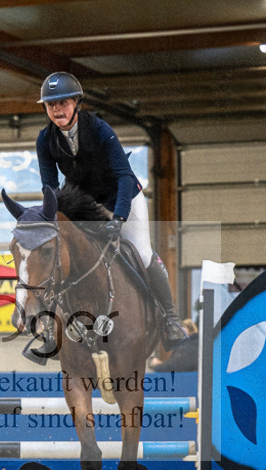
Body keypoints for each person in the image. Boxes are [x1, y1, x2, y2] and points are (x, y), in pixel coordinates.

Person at [31, 72, 186, 360]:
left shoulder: (100, 129)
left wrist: (118, 218)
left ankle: (170, 319)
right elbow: (50, 188)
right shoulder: (45, 139)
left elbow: (123, 176)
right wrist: (51, 223)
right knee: (61, 257)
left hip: (122, 195)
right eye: (50, 105)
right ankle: (51, 329)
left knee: (140, 252)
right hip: (83, 203)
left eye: (62, 102)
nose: (56, 110)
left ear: (76, 103)